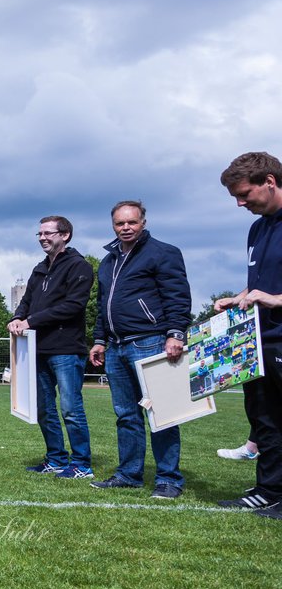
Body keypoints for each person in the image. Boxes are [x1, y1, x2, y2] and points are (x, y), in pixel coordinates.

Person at [88, 201, 191, 499]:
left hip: (151, 341)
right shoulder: (108, 261)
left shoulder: (163, 253)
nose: (126, 228)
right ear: (113, 225)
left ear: (143, 222)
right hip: (117, 347)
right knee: (125, 415)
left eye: (132, 222)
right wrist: (99, 340)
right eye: (120, 223)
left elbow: (178, 296)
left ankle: (168, 479)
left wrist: (175, 333)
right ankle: (129, 474)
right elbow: (102, 306)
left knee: (162, 414)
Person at [214, 152, 282, 518]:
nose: (241, 203)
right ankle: (268, 490)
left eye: (245, 194)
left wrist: (274, 299)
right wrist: (239, 297)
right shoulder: (257, 228)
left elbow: (272, 293)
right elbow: (261, 285)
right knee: (265, 419)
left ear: (269, 182)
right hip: (259, 341)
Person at [8, 216, 95, 479]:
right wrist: (16, 318)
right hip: (38, 348)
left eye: (48, 233)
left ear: (65, 235)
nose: (43, 238)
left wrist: (30, 320)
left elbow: (73, 306)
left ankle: (82, 464)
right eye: (40, 234)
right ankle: (56, 459)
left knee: (70, 408)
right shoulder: (39, 269)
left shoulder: (79, 266)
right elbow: (27, 301)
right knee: (44, 407)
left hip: (67, 349)